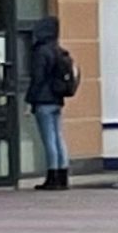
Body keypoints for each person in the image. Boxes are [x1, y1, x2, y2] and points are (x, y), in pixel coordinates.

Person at [25, 16, 71, 191]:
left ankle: (52, 176)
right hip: (57, 99)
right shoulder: (58, 50)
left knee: (49, 139)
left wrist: (30, 100)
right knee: (59, 137)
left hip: (43, 100)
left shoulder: (41, 51)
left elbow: (37, 78)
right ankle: (63, 175)